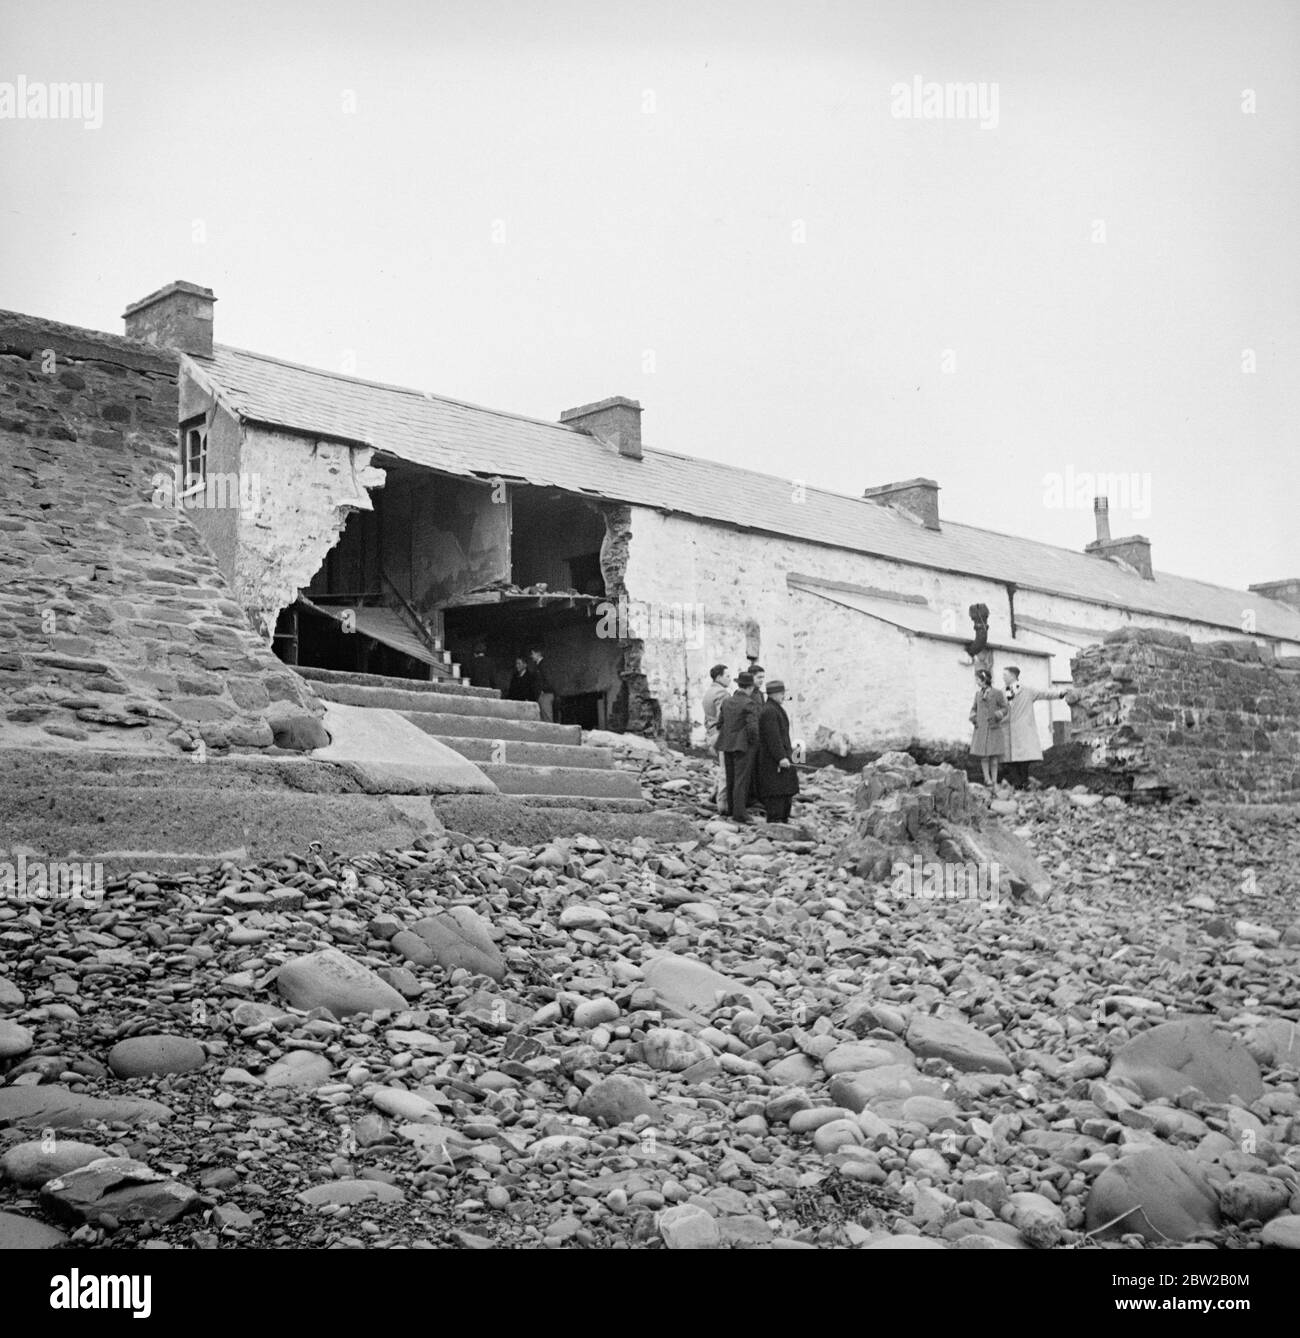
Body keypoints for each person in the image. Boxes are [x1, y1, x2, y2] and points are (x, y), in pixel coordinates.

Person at [1001, 666, 1071, 789]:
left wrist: (1060, 693)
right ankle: (1018, 783)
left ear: (1013, 676)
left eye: (1005, 675)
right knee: (1009, 759)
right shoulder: (1001, 692)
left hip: (1023, 728)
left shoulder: (1027, 691)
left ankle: (1023, 781)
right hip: (1007, 730)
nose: (1003, 677)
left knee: (1024, 758)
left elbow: (1044, 693)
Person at [716, 671, 761, 823]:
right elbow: (753, 728)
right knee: (741, 780)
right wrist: (755, 743)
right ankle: (740, 813)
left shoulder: (727, 701)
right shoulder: (749, 703)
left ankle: (730, 809)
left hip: (726, 744)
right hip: (743, 746)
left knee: (731, 778)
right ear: (750, 688)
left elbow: (720, 722)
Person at [756, 679, 799, 823]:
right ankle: (776, 821)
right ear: (774, 694)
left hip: (779, 758)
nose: (783, 696)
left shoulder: (773, 708)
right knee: (776, 791)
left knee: (784, 790)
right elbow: (772, 737)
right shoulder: (769, 711)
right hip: (773, 762)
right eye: (781, 693)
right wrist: (781, 757)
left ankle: (782, 819)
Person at [969, 667, 1008, 788]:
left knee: (994, 757)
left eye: (978, 679)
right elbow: (974, 709)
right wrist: (974, 718)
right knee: (984, 756)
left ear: (984, 679)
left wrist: (998, 715)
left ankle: (995, 780)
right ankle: (987, 779)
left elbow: (1005, 708)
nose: (976, 682)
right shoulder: (978, 694)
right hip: (981, 729)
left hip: (993, 728)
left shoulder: (997, 693)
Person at [702, 663, 732, 812]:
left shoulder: (709, 692)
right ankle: (722, 805)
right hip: (721, 734)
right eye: (727, 676)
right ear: (719, 677)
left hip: (711, 733)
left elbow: (707, 718)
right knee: (726, 770)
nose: (730, 679)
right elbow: (724, 717)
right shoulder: (723, 694)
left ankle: (713, 796)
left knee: (721, 767)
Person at [528, 647, 554, 722]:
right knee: (544, 718)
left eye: (532, 654)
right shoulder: (538, 665)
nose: (531, 656)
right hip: (542, 695)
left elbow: (548, 679)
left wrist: (542, 691)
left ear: (538, 653)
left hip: (545, 695)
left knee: (547, 719)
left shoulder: (544, 664)